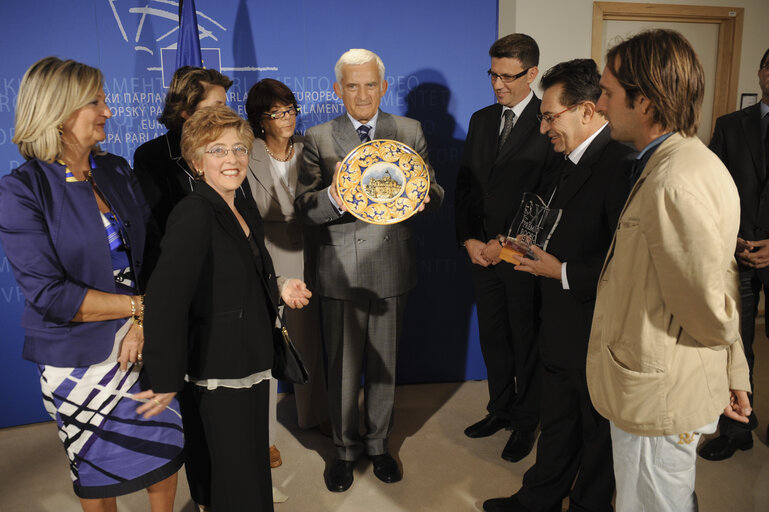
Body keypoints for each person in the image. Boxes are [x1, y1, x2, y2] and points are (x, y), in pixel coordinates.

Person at [0, 56, 183, 511]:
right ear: (58, 112)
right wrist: (140, 308)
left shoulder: (116, 169)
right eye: (95, 102)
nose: (107, 111)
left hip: (145, 337)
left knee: (164, 452)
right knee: (98, 475)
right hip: (77, 359)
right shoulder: (21, 191)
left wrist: (145, 321)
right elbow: (50, 295)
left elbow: (156, 255)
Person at [586, 29, 752, 511]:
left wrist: (723, 373)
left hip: (660, 392)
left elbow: (708, 306)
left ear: (645, 102)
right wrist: (732, 370)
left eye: (608, 93)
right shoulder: (678, 163)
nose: (598, 103)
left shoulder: (675, 182)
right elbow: (720, 283)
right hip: (664, 381)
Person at [139, 105, 312, 512]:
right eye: (217, 150)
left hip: (250, 359)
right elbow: (165, 297)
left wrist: (282, 286)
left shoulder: (238, 204)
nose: (231, 159)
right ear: (196, 161)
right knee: (231, 480)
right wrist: (163, 379)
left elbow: (242, 271)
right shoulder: (194, 212)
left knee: (251, 471)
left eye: (237, 149)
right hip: (219, 369)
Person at [483, 59, 635, 512]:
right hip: (558, 322)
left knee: (595, 432)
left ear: (587, 111)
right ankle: (538, 500)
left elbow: (623, 265)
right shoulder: (561, 161)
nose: (543, 125)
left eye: (550, 116)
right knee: (559, 421)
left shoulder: (620, 165)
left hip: (595, 325)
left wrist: (561, 271)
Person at [294, 48, 444, 492]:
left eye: (370, 84)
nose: (362, 94)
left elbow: (431, 188)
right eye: (352, 85)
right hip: (338, 268)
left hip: (390, 265)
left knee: (384, 366)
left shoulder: (408, 130)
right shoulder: (319, 137)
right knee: (342, 368)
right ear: (338, 90)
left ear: (383, 86)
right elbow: (304, 207)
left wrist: (425, 198)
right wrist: (336, 198)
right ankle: (343, 451)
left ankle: (378, 445)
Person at [455, 33, 559, 462]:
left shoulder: (548, 120)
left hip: (521, 255)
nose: (497, 84)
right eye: (492, 74)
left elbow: (546, 196)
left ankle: (525, 420)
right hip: (481, 254)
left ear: (532, 74)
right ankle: (498, 409)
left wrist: (505, 243)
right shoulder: (481, 119)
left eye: (507, 76)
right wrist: (469, 240)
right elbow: (465, 188)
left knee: (524, 337)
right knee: (493, 336)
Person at [244, 78, 329, 469]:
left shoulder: (310, 147)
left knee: (308, 341)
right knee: (267, 349)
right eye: (277, 113)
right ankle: (264, 439)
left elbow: (328, 201)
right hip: (267, 257)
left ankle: (313, 416)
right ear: (260, 120)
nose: (287, 118)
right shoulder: (246, 153)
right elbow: (254, 210)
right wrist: (313, 206)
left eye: (291, 109)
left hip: (309, 255)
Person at [698, 47, 769, 461]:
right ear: (761, 73)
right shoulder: (729, 126)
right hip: (735, 252)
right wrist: (732, 238)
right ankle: (735, 429)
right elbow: (711, 187)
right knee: (735, 344)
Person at [133, 66, 232, 236]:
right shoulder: (151, 155)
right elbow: (158, 225)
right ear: (186, 111)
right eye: (218, 106)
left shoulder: (232, 150)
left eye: (225, 105)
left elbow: (249, 213)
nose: (226, 113)